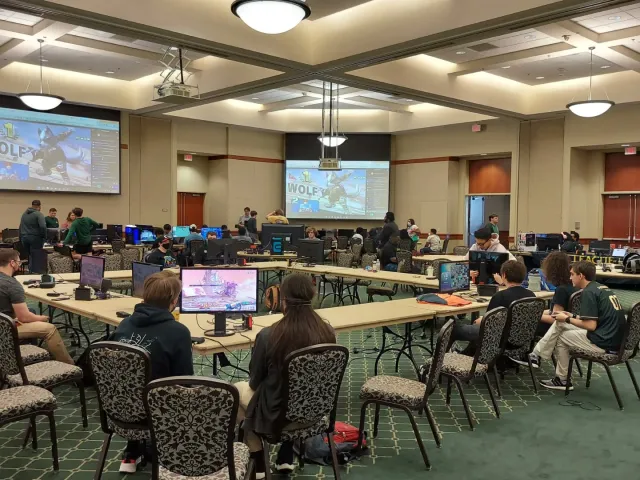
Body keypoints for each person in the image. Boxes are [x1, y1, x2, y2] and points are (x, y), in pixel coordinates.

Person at [234, 274, 336, 478]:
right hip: (316, 412)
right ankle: (285, 456)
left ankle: (259, 463)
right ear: (312, 296)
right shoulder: (328, 332)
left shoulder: (268, 335)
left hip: (278, 415)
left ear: (283, 300)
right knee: (292, 391)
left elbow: (255, 381)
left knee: (236, 392)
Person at [111, 270, 193, 473]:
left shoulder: (124, 324)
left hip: (120, 408)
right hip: (158, 412)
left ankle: (132, 452)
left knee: (135, 383)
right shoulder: (178, 332)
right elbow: (185, 382)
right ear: (174, 301)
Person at [530, 261, 626, 391]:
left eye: (572, 274)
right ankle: (536, 354)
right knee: (560, 323)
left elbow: (591, 325)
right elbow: (597, 320)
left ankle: (561, 379)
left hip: (604, 342)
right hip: (613, 337)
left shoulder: (588, 292)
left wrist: (568, 318)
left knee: (562, 337)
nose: (570, 278)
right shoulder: (600, 288)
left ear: (581, 275)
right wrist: (571, 316)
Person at [0, 249, 74, 364]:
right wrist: (43, 318)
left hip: (4, 318)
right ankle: (70, 366)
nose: (19, 264)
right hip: (4, 329)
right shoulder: (12, 285)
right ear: (12, 263)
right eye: (19, 262)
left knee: (32, 310)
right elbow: (24, 318)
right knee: (49, 329)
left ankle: (33, 356)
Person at [451, 260, 535, 356]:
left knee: (454, 329)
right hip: (521, 341)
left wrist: (480, 320)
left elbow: (489, 322)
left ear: (503, 275)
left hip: (499, 339)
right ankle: (465, 355)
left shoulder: (500, 296)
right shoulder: (531, 295)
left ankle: (446, 360)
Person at [510, 252, 576, 367]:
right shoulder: (573, 286)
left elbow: (555, 318)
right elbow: (555, 311)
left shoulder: (561, 290)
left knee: (520, 323)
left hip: (557, 327)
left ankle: (522, 356)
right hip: (572, 325)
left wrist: (533, 315)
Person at [19, 200, 47, 272]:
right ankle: (35, 273)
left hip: (24, 238)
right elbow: (43, 226)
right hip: (35, 238)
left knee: (30, 256)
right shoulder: (38, 214)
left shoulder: (24, 214)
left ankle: (30, 271)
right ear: (39, 206)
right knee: (36, 257)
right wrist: (44, 236)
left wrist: (21, 238)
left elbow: (20, 226)